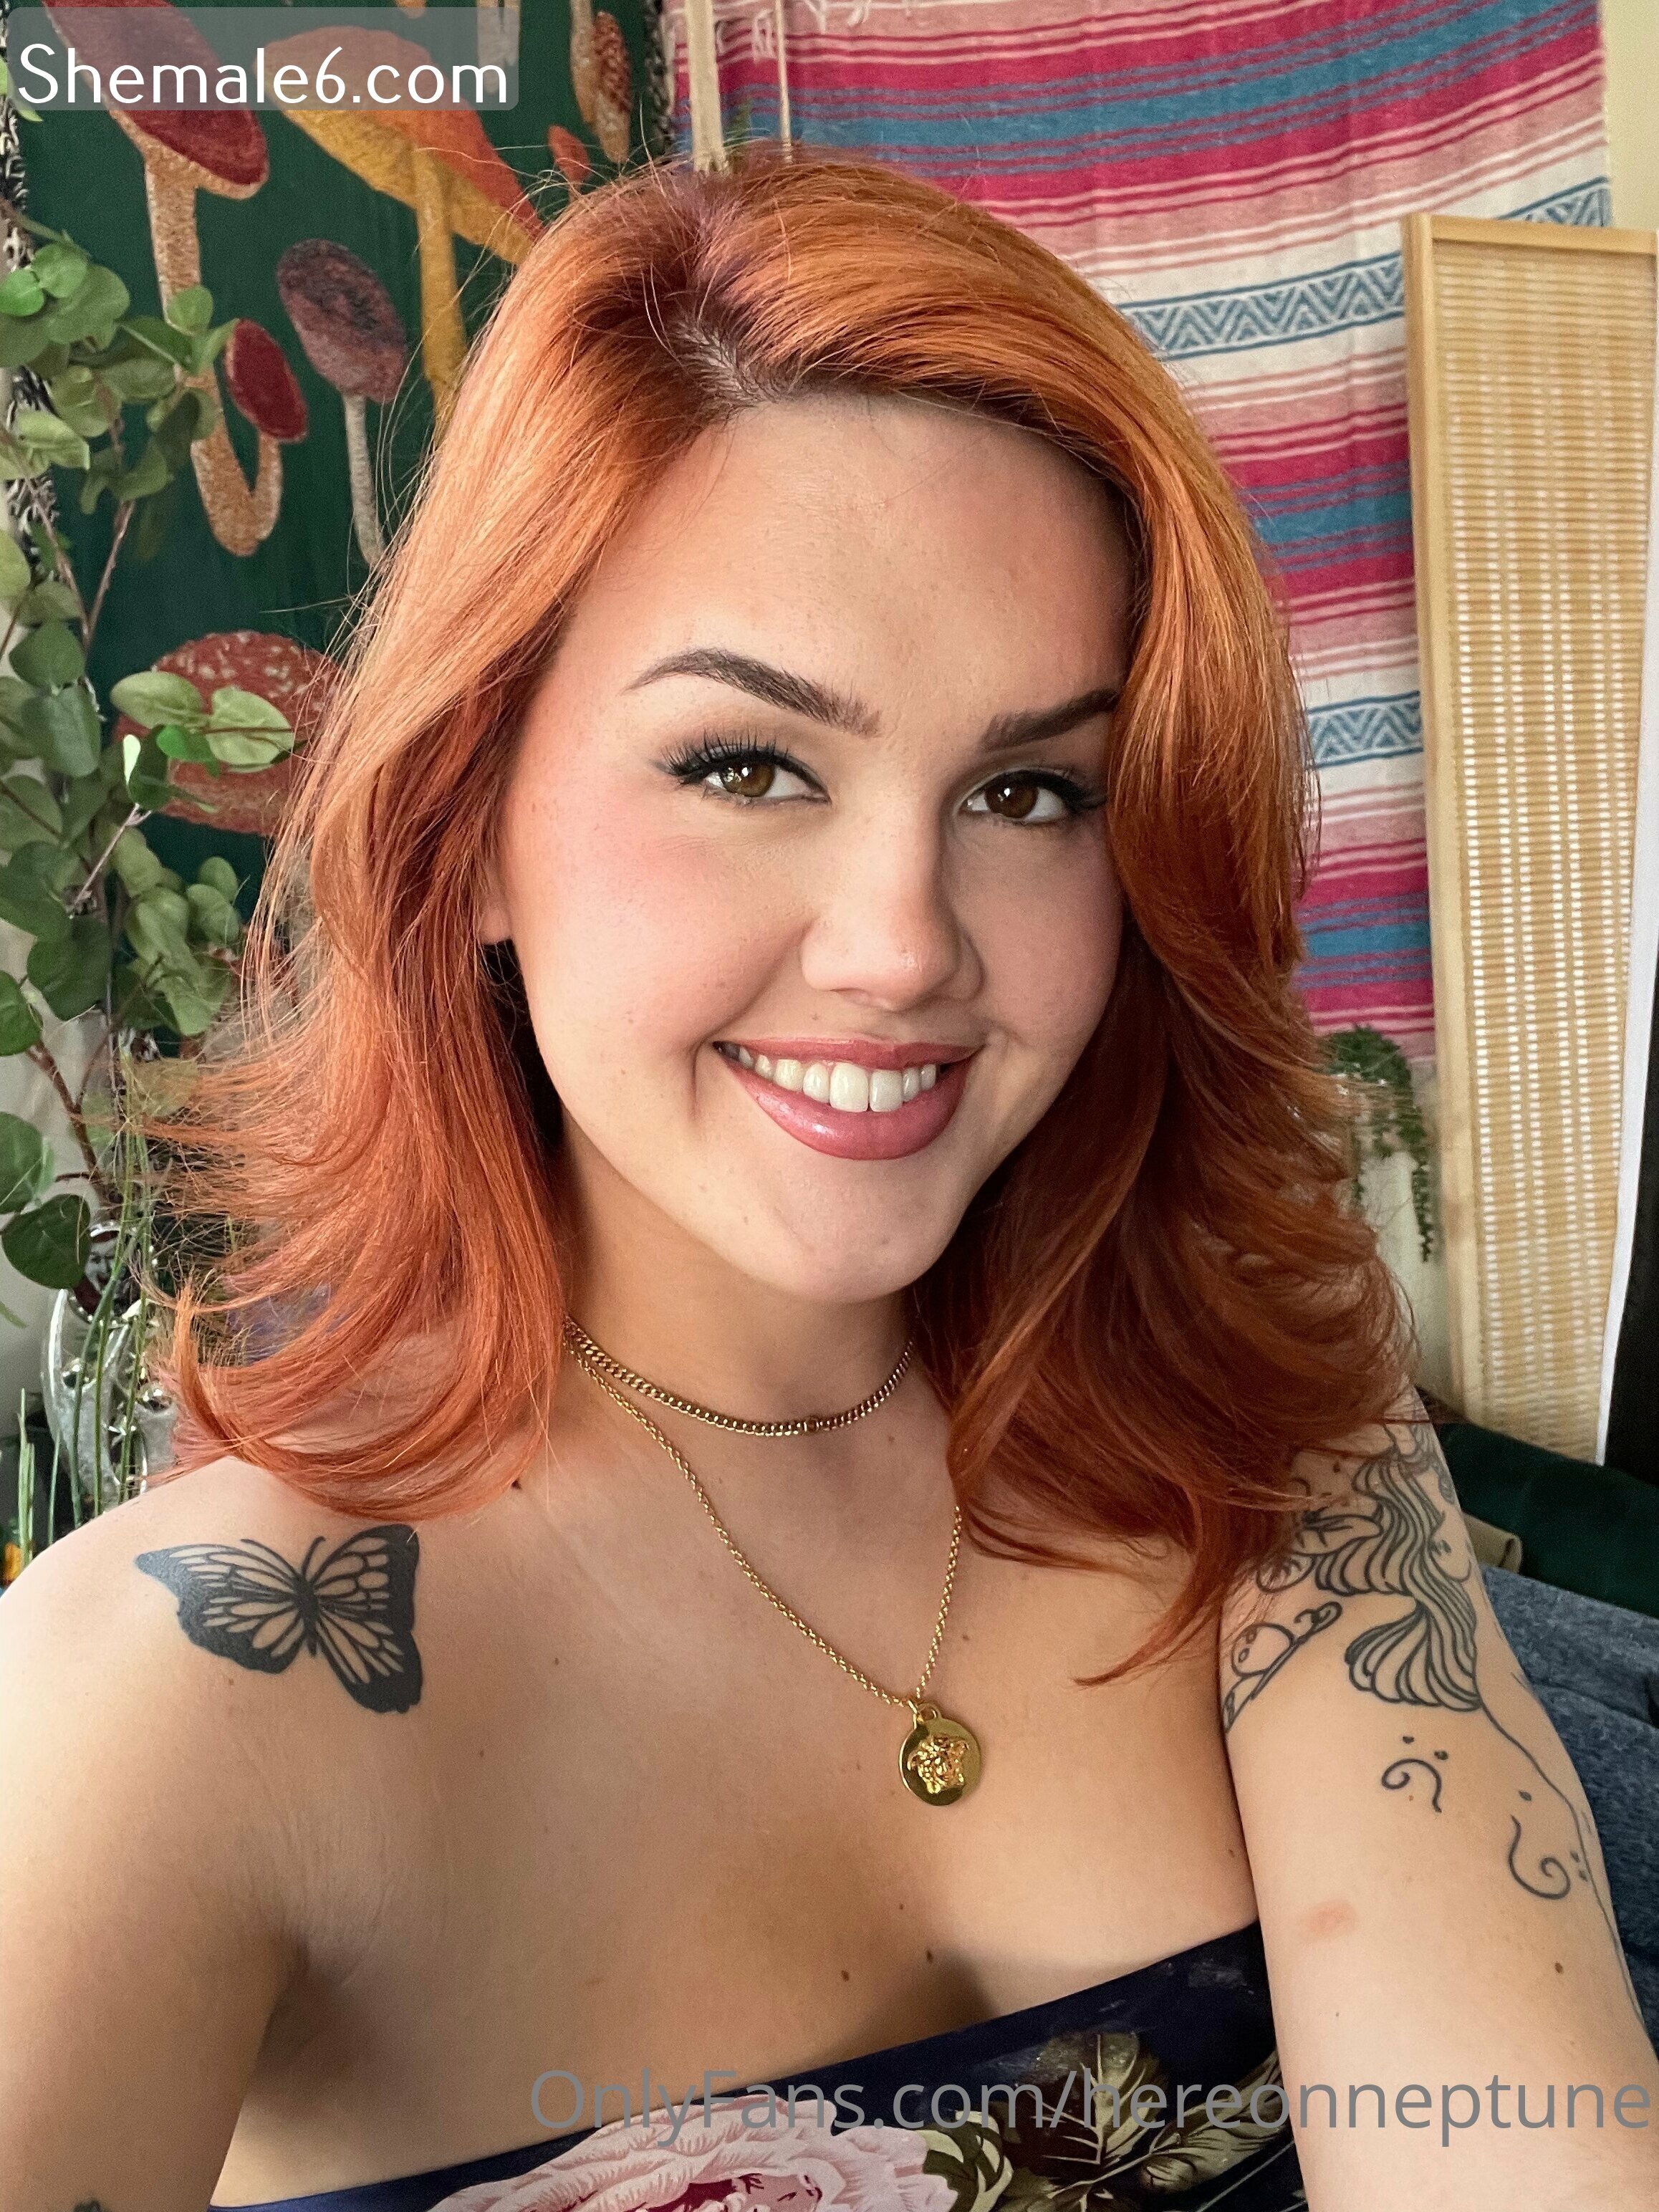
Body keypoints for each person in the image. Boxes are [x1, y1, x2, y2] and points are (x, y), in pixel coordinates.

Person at [1, 148, 1654, 2212]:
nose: (900, 946)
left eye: (1030, 791)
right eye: (746, 765)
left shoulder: (1257, 1432)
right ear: (471, 820)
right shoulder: (176, 1695)